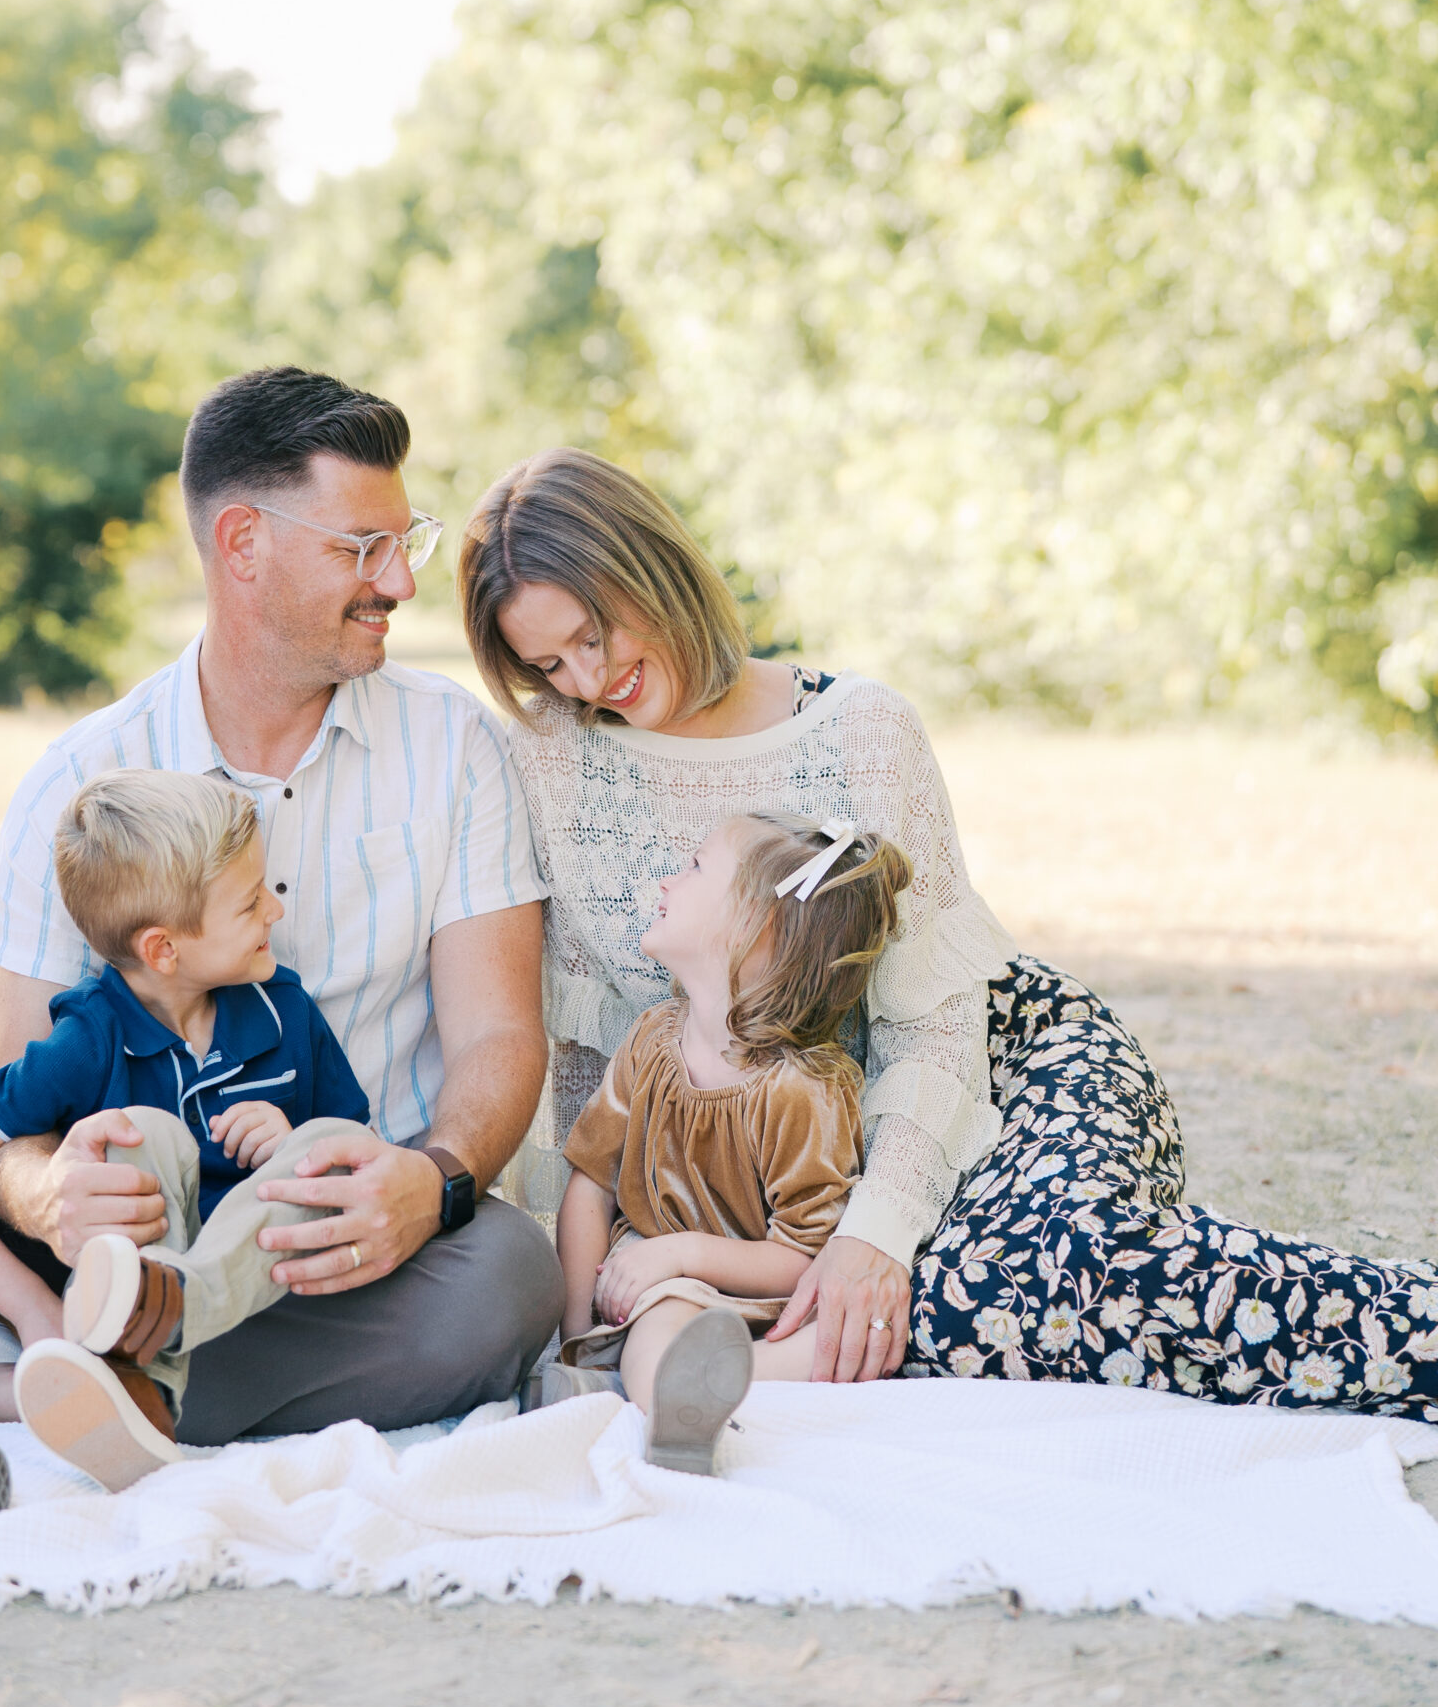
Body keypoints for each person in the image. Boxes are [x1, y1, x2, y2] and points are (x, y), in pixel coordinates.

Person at [0, 368, 562, 1565]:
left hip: (322, 1247)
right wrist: (48, 1194)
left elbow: (500, 1040)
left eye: (402, 540)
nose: (403, 581)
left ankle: (8, 1387)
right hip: (108, 1244)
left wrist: (436, 1179)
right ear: (244, 543)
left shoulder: (454, 748)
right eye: (366, 545)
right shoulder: (81, 777)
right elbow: (6, 1095)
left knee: (509, 1277)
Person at [461, 446, 1438, 1423]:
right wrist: (615, 1295)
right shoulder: (550, 756)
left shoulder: (862, 729)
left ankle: (1415, 1330)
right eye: (548, 662)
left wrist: (877, 1232)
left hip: (983, 1061)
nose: (589, 679)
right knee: (949, 1332)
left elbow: (932, 1024)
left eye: (596, 634)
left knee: (1051, 1273)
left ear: (654, 573)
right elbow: (590, 1064)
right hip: (777, 1164)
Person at [0, 768, 376, 1491]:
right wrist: (38, 1316)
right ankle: (135, 1371)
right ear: (163, 950)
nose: (273, 914)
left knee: (321, 1153)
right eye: (250, 903)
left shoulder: (283, 1010)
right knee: (137, 1132)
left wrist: (287, 1138)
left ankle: (164, 1323)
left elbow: (358, 1156)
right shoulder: (85, 1039)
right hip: (117, 1309)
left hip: (265, 1294)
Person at [544, 814, 903, 1474]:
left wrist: (677, 1252)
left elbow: (805, 1256)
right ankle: (689, 1387)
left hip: (762, 1297)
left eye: (697, 867)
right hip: (669, 1294)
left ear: (754, 928)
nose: (669, 881)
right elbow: (590, 1186)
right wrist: (578, 1338)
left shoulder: (802, 1091)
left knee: (860, 1335)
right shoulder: (651, 1043)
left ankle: (703, 1397)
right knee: (658, 1328)